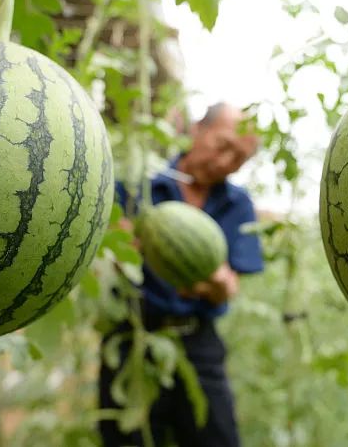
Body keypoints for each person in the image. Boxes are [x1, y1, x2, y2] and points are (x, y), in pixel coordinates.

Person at [99, 102, 264, 447]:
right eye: (222, 146)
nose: (223, 163)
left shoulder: (238, 204)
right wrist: (120, 244)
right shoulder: (139, 183)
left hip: (198, 342)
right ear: (196, 130)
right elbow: (107, 252)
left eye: (237, 159)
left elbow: (229, 285)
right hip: (133, 336)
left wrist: (217, 285)